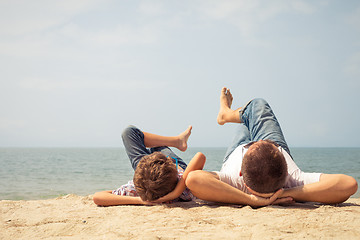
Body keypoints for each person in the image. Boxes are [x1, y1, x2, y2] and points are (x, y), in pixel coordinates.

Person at [185, 87, 358, 207]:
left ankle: (225, 112)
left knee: (255, 108)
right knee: (254, 111)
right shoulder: (294, 180)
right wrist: (286, 193)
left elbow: (193, 180)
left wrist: (250, 200)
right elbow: (348, 184)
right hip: (272, 165)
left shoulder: (234, 181)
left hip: (236, 149)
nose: (257, 141)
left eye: (257, 144)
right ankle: (229, 114)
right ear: (285, 169)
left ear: (241, 174)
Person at [93, 125, 206, 206]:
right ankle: (177, 141)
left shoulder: (137, 189)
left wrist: (141, 200)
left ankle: (177, 141)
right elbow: (200, 157)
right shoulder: (186, 190)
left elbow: (98, 197)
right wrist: (175, 193)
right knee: (158, 148)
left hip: (148, 175)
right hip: (168, 177)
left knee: (130, 132)